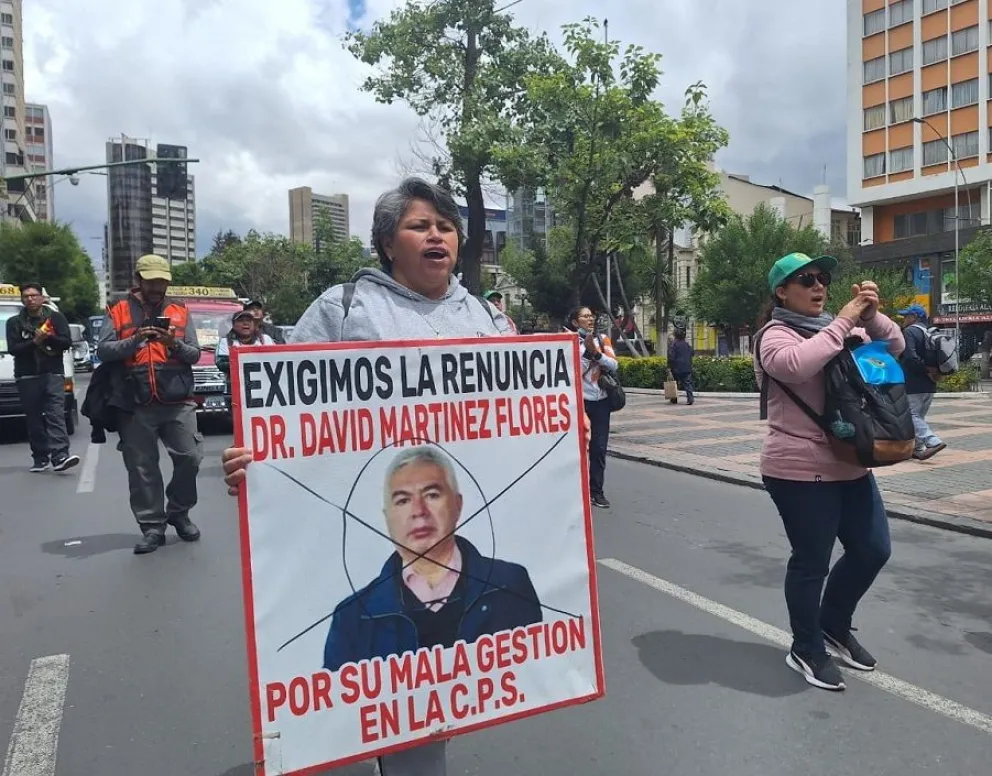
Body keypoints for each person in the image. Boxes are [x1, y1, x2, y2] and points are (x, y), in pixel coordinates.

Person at [222, 177, 521, 776]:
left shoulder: (488, 319)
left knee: (450, 694)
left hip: (463, 558)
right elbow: (282, 411)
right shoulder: (343, 308)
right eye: (420, 225)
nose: (436, 235)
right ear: (388, 243)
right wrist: (256, 462)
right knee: (408, 720)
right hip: (383, 557)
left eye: (445, 225)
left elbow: (523, 419)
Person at [754, 252, 901, 692]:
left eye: (823, 278)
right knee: (811, 562)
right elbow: (796, 366)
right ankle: (806, 646)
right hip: (798, 469)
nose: (819, 285)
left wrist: (873, 319)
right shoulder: (773, 335)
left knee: (873, 549)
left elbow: (895, 348)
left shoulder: (841, 328)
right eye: (806, 280)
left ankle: (833, 624)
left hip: (851, 463)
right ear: (782, 291)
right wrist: (844, 322)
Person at [323, 446, 542, 671]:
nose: (419, 511)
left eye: (432, 495)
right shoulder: (353, 618)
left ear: (457, 505)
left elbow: (536, 680)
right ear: (387, 518)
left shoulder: (508, 585)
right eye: (402, 501)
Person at [98, 254, 204, 555]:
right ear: (139, 279)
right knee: (142, 467)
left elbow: (194, 355)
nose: (158, 287)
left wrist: (174, 344)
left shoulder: (181, 310)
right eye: (152, 281)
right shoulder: (117, 310)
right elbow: (103, 350)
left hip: (177, 399)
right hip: (135, 401)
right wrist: (135, 340)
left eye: (162, 281)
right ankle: (152, 526)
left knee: (191, 457)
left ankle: (179, 512)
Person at [4, 282, 80, 472]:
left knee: (56, 414)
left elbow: (65, 343)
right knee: (34, 419)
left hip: (53, 373)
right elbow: (14, 349)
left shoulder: (55, 318)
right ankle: (40, 457)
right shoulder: (14, 322)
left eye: (34, 295)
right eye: (26, 296)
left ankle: (61, 455)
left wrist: (48, 338)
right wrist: (34, 342)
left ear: (42, 298)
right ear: (22, 299)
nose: (30, 299)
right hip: (26, 376)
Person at [565, 306, 618, 509]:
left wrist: (596, 354)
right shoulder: (569, 343)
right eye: (585, 316)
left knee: (599, 448)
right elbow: (573, 372)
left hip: (602, 401)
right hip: (581, 403)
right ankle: (578, 491)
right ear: (575, 322)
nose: (590, 319)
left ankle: (597, 491)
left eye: (591, 316)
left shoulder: (603, 339)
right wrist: (588, 354)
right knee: (578, 449)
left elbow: (614, 365)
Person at [897, 304, 945, 461]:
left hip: (914, 382)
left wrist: (924, 369)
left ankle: (932, 441)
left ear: (914, 318)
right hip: (930, 382)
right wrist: (931, 372)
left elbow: (910, 357)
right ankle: (917, 449)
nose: (904, 319)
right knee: (919, 416)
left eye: (906, 316)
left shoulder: (910, 331)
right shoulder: (930, 332)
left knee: (911, 414)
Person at [667, 328, 695, 405]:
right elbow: (692, 353)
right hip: (687, 367)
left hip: (676, 367)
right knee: (687, 383)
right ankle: (690, 399)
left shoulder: (674, 344)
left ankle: (674, 399)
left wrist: (669, 367)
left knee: (674, 383)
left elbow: (671, 356)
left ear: (675, 335)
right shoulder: (686, 344)